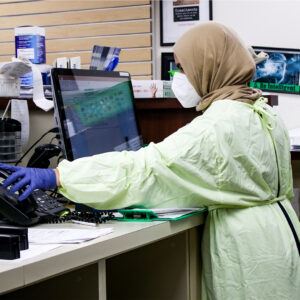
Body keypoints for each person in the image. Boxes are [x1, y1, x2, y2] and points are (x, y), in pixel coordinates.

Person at [0, 22, 300, 299]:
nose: (178, 77)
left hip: (248, 252)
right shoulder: (259, 109)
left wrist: (58, 177)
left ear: (208, 66)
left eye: (183, 68)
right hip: (279, 237)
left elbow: (145, 171)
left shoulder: (219, 125)